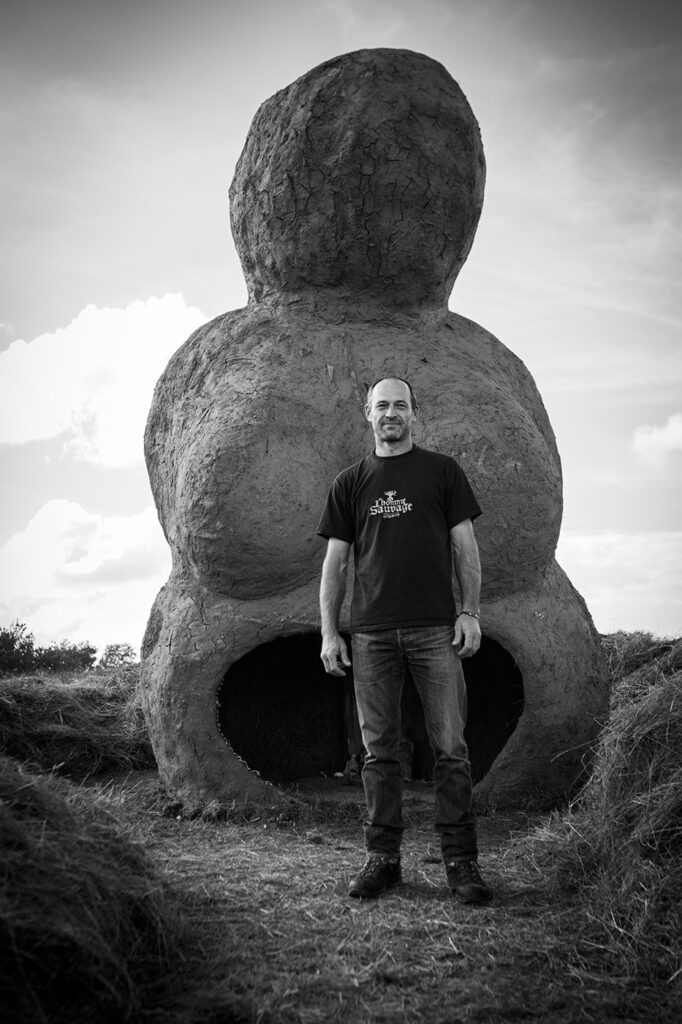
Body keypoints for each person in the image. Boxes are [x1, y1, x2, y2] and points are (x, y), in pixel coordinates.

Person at [317, 377, 492, 904]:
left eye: (400, 405)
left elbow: (466, 548)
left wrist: (469, 612)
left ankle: (460, 864)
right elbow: (336, 563)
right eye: (382, 405)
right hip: (370, 633)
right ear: (366, 414)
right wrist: (330, 631)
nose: (391, 413)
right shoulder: (349, 483)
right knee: (379, 753)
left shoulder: (443, 472)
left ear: (414, 414)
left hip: (435, 629)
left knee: (450, 749)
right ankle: (383, 859)